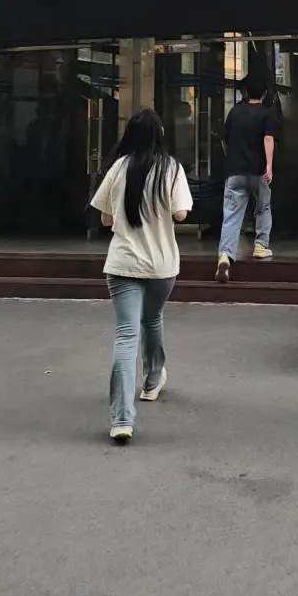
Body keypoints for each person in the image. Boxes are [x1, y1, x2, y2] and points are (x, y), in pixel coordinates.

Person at [90, 108, 193, 444]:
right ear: (159, 134)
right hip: (161, 265)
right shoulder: (171, 168)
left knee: (125, 336)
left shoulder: (118, 167)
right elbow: (181, 214)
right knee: (152, 318)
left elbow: (105, 219)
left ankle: (121, 419)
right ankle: (151, 381)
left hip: (123, 264)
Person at [215, 72, 278, 283]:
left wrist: (231, 157)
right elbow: (268, 138)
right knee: (263, 207)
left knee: (232, 214)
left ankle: (225, 255)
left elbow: (224, 140)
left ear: (245, 92)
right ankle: (260, 246)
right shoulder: (267, 113)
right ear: (265, 93)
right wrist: (269, 164)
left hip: (235, 171)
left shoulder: (235, 112)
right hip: (259, 171)